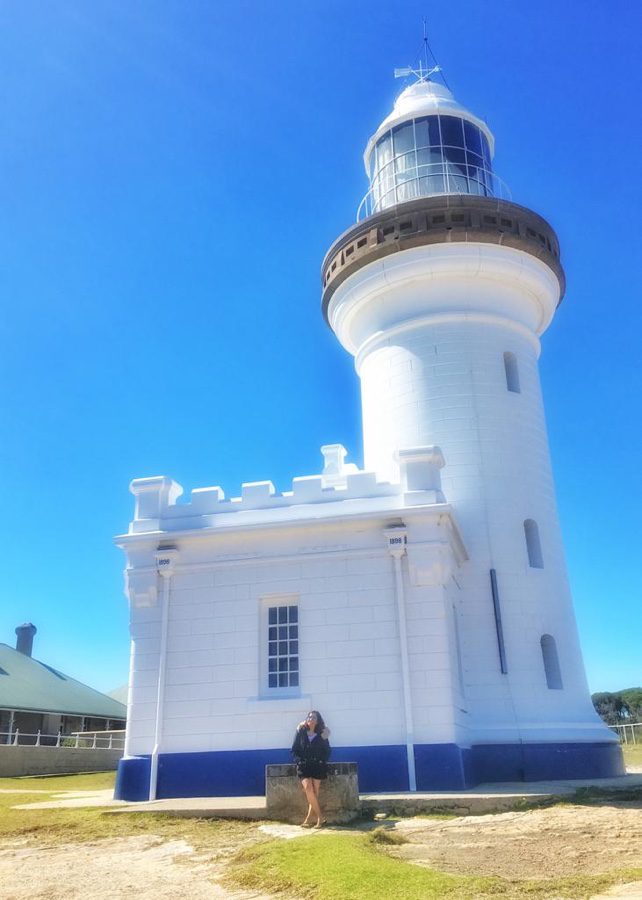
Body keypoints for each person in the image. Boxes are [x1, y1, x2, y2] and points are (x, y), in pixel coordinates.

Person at [291, 710, 331, 827]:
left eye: (313, 717)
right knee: (308, 788)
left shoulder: (323, 733)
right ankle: (320, 817)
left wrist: (322, 761)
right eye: (309, 717)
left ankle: (308, 819)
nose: (311, 719)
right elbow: (294, 750)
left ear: (317, 721)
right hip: (304, 766)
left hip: (318, 766)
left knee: (314, 793)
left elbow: (327, 750)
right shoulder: (300, 731)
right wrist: (299, 761)